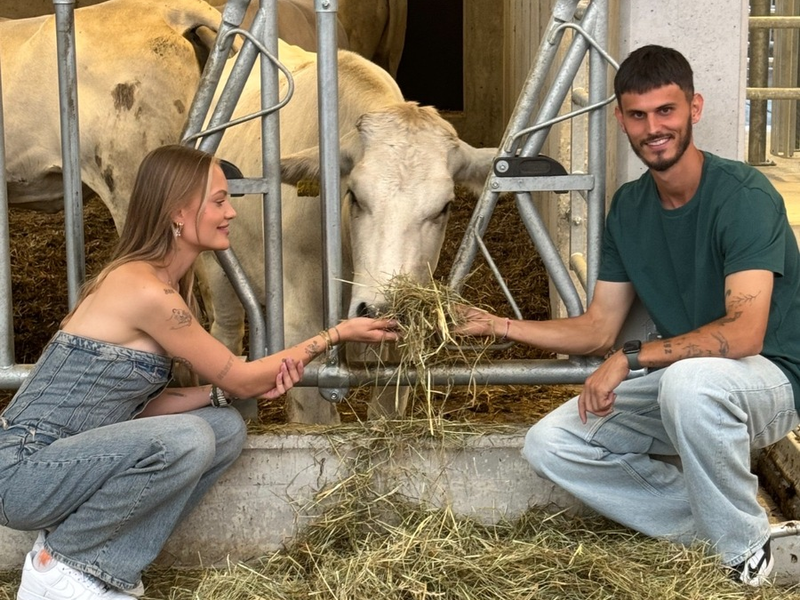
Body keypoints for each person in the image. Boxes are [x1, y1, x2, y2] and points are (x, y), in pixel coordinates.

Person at [458, 45, 800, 586]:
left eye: (666, 110)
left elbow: (745, 332)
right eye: (637, 115)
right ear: (620, 119)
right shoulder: (631, 206)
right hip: (691, 383)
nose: (653, 128)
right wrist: (498, 324)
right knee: (553, 443)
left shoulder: (744, 194)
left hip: (773, 377)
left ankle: (747, 562)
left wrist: (632, 357)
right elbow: (597, 328)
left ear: (695, 108)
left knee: (688, 384)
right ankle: (721, 534)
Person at [0, 144, 398, 600]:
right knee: (186, 438)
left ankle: (98, 566)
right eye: (218, 201)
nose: (230, 211)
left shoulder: (165, 287)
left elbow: (143, 408)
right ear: (177, 214)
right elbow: (242, 377)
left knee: (223, 429)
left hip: (67, 460)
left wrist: (218, 397)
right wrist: (336, 335)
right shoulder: (146, 291)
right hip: (21, 471)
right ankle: (61, 570)